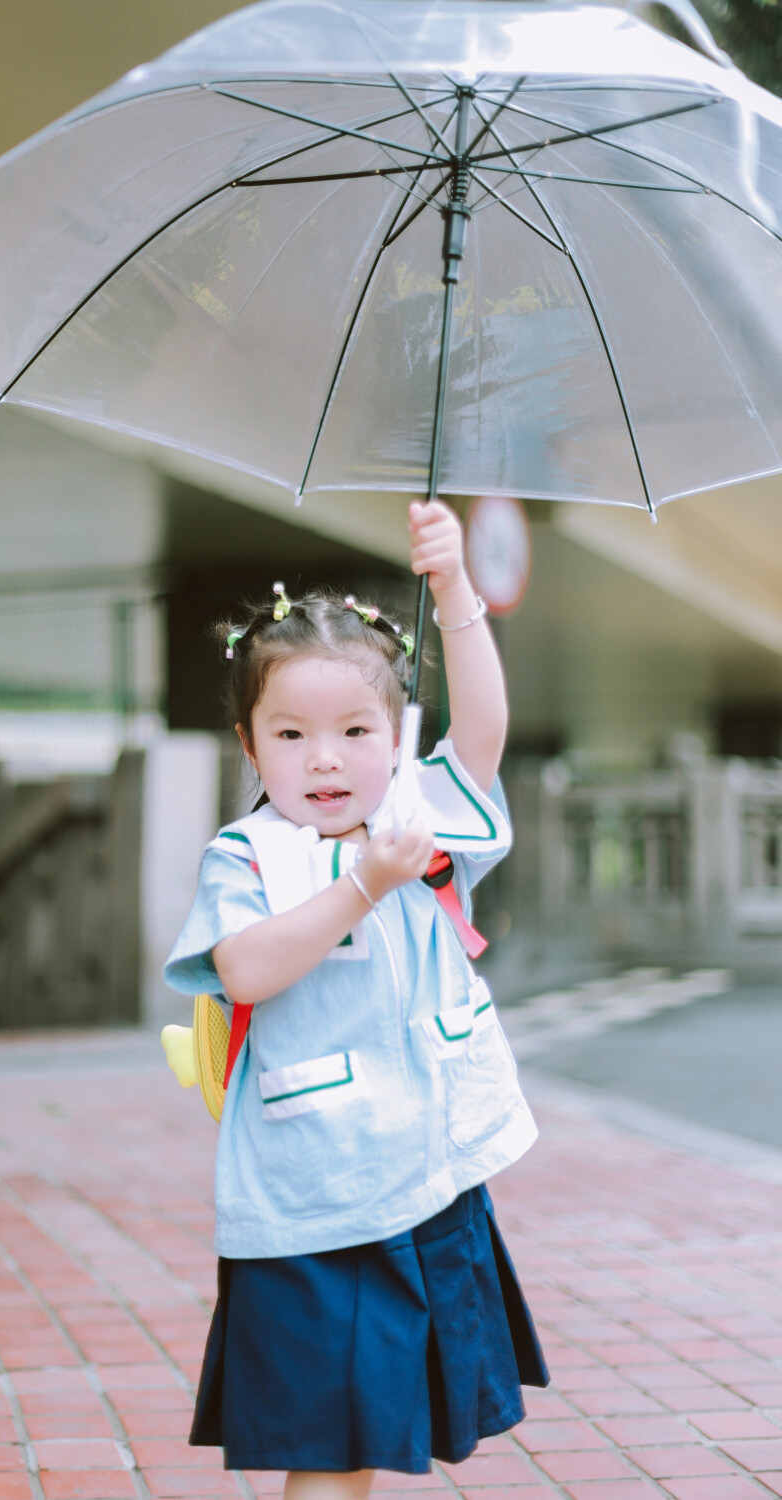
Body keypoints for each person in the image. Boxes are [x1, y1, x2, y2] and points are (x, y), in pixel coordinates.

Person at [164, 500, 548, 1500]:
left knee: (373, 1441)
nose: (324, 758)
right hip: (311, 1199)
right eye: (290, 733)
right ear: (250, 746)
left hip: (426, 1171)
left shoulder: (420, 816)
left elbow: (486, 730)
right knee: (327, 1451)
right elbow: (244, 969)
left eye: (352, 730)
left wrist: (453, 589)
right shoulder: (248, 853)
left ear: (394, 735)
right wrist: (363, 884)